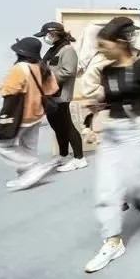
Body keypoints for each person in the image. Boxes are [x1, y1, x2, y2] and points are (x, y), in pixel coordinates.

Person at [84, 17, 140, 273]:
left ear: (120, 42)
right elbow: (108, 101)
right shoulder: (106, 71)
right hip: (113, 130)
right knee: (107, 187)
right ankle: (112, 241)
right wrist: (91, 124)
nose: (100, 50)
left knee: (135, 185)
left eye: (104, 45)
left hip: (138, 130)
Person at [0, 37, 59, 191]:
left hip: (21, 115)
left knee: (3, 145)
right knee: (29, 147)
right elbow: (53, 89)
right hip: (37, 114)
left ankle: (32, 167)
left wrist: (3, 85)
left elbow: (7, 91)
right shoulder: (42, 66)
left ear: (21, 53)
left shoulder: (20, 68)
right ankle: (26, 176)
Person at [34, 22, 86, 172]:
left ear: (54, 34)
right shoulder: (53, 49)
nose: (45, 38)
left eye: (46, 35)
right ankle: (64, 155)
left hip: (61, 95)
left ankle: (79, 158)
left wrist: (47, 78)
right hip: (50, 94)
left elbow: (69, 71)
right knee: (57, 126)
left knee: (67, 126)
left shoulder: (67, 50)